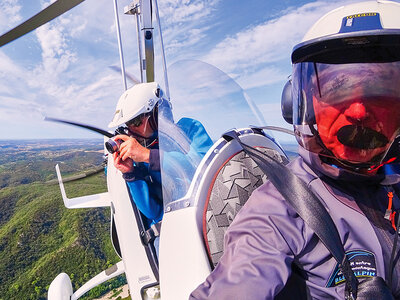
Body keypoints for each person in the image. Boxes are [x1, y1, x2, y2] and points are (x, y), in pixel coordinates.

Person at [190, 1, 400, 299]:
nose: (357, 110)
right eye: (337, 88)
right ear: (301, 104)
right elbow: (242, 280)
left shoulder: (392, 180)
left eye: (380, 90)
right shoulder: (278, 209)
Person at [109, 82, 213, 251]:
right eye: (127, 126)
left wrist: (149, 156)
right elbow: (153, 212)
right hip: (172, 232)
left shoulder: (189, 129)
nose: (130, 131)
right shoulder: (141, 154)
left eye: (135, 122)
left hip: (206, 218)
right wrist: (131, 174)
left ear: (157, 113)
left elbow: (202, 166)